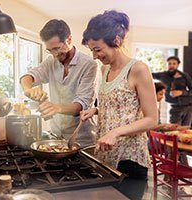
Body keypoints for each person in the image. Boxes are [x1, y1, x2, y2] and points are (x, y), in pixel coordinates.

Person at [81, 10, 157, 181]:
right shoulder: (104, 68)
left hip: (129, 157)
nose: (95, 56)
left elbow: (152, 119)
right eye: (92, 50)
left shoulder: (138, 69)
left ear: (116, 41)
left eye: (98, 49)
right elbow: (120, 106)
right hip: (105, 154)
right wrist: (96, 110)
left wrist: (115, 133)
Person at [20, 19, 98, 147]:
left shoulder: (89, 64)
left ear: (69, 40)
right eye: (50, 50)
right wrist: (28, 90)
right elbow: (28, 77)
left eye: (57, 48)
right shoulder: (51, 62)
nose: (54, 54)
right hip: (56, 137)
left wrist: (56, 108)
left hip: (82, 140)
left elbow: (81, 104)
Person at [152, 56, 192, 126]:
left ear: (177, 65)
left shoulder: (184, 76)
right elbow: (148, 75)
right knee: (174, 131)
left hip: (188, 107)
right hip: (175, 108)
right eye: (169, 63)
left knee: (186, 131)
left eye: (174, 64)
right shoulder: (162, 75)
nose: (171, 65)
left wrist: (182, 92)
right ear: (167, 64)